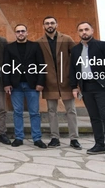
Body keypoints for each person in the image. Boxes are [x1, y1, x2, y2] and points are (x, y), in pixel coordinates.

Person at [70, 22, 105, 160]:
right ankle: (99, 144)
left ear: (92, 30)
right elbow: (73, 70)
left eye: (86, 29)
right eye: (81, 30)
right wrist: (74, 86)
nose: (84, 32)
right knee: (94, 117)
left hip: (101, 86)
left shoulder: (103, 45)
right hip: (86, 87)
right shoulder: (75, 50)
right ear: (78, 33)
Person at [36, 16, 81, 149]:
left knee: (71, 110)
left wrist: (76, 80)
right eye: (47, 23)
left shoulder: (66, 39)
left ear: (57, 24)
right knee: (51, 111)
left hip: (66, 80)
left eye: (52, 23)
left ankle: (74, 139)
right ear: (43, 26)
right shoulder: (39, 42)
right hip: (49, 81)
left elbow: (77, 56)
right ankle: (55, 138)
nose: (50, 25)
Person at [3, 24, 47, 149]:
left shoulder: (35, 46)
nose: (20, 33)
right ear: (15, 34)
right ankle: (18, 138)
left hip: (32, 85)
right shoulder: (9, 48)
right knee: (17, 112)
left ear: (27, 32)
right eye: (18, 31)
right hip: (15, 85)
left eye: (23, 31)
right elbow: (5, 66)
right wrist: (6, 83)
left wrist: (40, 83)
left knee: (34, 112)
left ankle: (37, 138)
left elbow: (41, 65)